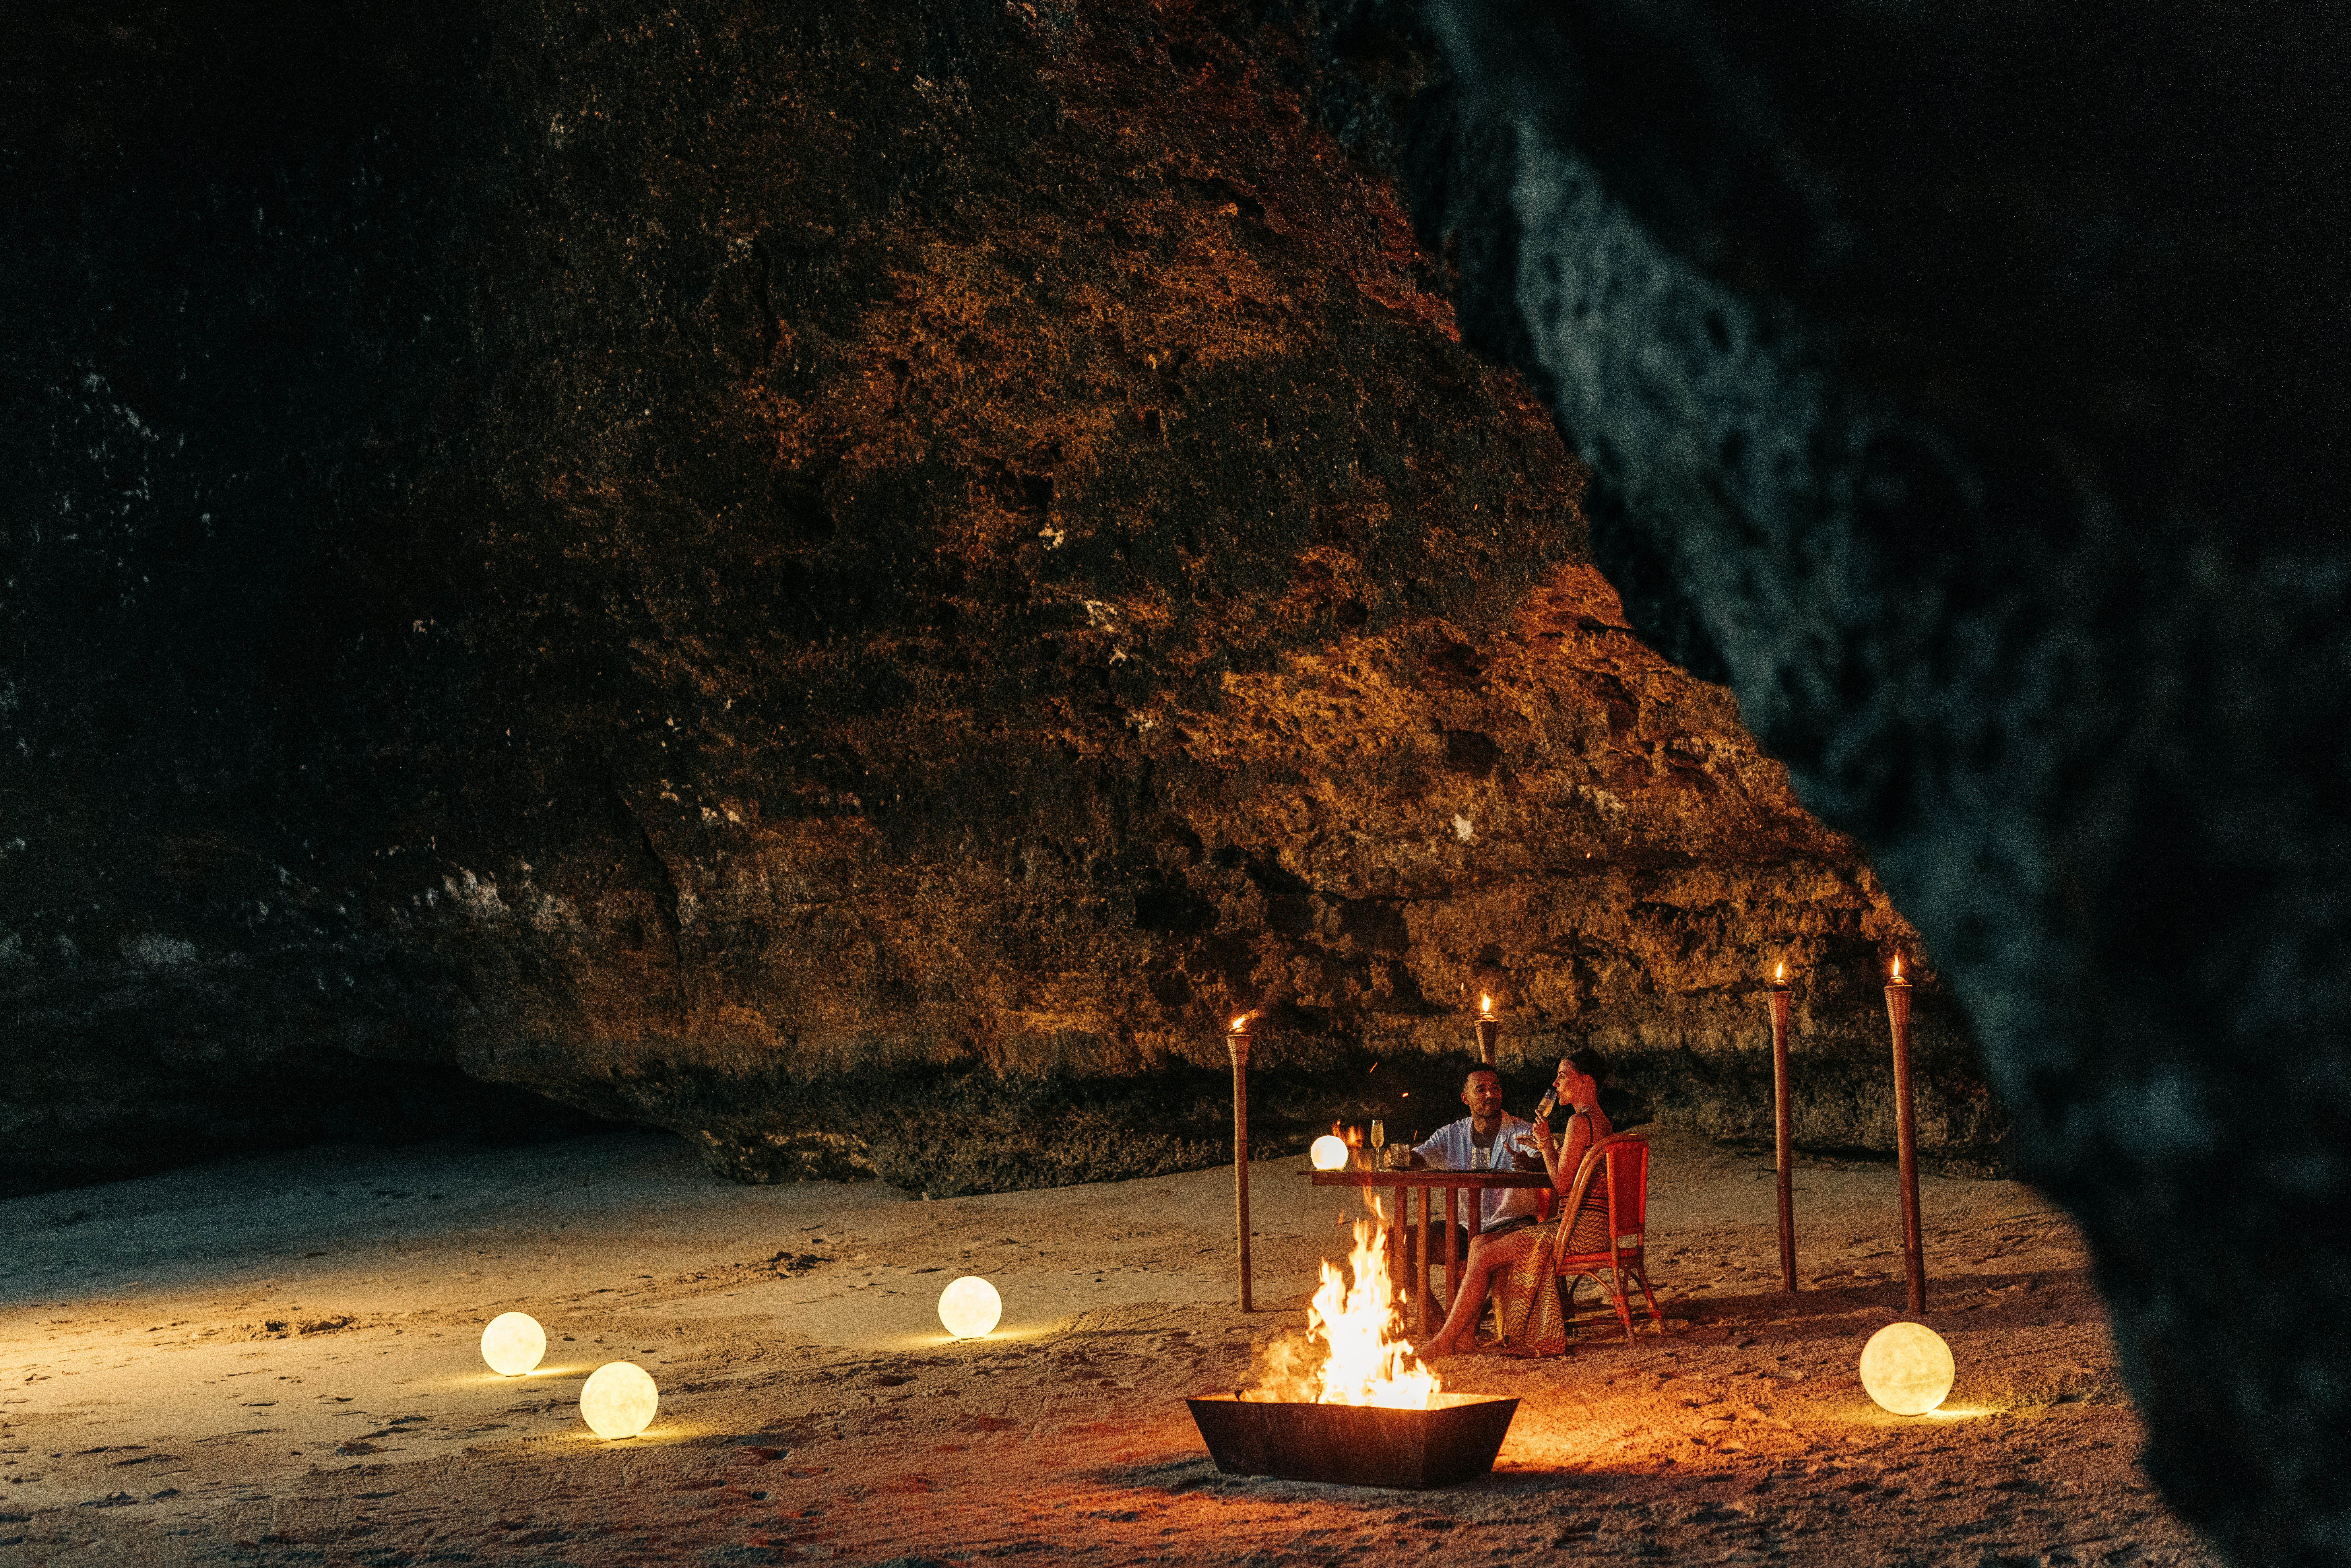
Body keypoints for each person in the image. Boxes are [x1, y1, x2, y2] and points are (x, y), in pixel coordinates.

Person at [1421, 1052, 1613, 1360]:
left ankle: (1444, 1340)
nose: (1555, 1083)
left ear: (1584, 1081)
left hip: (1578, 1231)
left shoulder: (1580, 1121)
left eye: (1562, 1076)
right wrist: (1541, 1156)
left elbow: (1562, 1184)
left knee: (1482, 1253)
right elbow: (1570, 1175)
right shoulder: (1599, 1120)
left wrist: (1545, 1144)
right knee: (1480, 1242)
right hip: (1591, 1224)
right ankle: (1466, 1336)